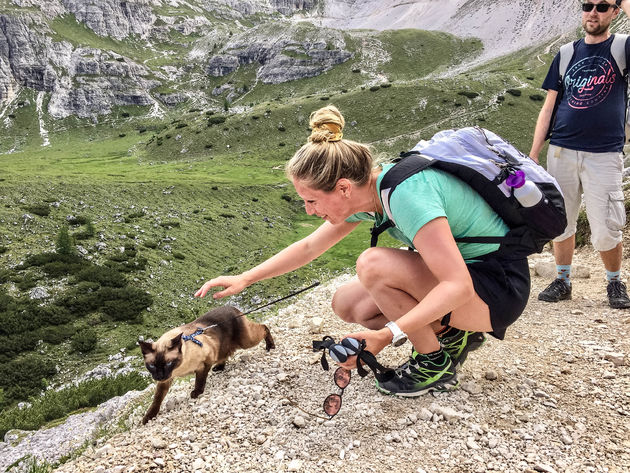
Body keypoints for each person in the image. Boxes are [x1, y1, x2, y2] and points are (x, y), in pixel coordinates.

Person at [195, 105, 530, 396]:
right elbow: (310, 246)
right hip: (474, 285)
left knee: (373, 263)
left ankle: (434, 363)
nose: (310, 210)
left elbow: (458, 285)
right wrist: (246, 278)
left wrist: (387, 335)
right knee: (348, 303)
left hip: (498, 291)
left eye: (312, 201)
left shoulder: (406, 195)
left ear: (342, 188)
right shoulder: (369, 192)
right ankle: (452, 334)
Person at [529, 0, 630, 309]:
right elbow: (549, 107)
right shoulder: (566, 54)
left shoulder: (622, 47)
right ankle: (562, 280)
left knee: (606, 225)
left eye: (602, 6)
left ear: (613, 12)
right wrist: (533, 154)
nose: (593, 12)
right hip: (561, 151)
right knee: (562, 220)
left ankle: (614, 281)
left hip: (604, 154)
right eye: (588, 5)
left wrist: (626, 3)